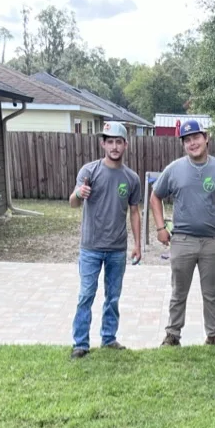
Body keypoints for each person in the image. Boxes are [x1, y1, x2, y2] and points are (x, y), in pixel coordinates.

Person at [149, 119, 215, 346]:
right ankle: (172, 335)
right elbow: (155, 196)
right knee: (178, 291)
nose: (192, 143)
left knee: (211, 292)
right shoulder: (174, 169)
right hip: (182, 241)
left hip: (211, 242)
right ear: (183, 144)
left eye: (196, 137)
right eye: (187, 140)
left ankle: (213, 335)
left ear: (206, 138)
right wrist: (161, 227)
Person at [68, 121, 142, 359]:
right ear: (102, 144)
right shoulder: (89, 171)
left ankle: (109, 338)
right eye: (109, 141)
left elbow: (135, 212)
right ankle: (81, 343)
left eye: (118, 142)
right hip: (90, 247)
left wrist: (138, 245)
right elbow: (73, 201)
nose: (114, 146)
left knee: (113, 297)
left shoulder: (131, 178)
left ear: (125, 145)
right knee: (86, 295)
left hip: (117, 249)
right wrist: (79, 193)